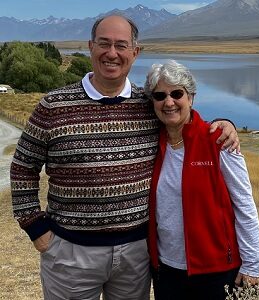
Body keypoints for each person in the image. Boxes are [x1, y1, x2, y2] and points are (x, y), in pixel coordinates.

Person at [10, 16, 239, 300]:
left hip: (135, 255)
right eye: (104, 44)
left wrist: (223, 124)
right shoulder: (54, 106)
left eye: (121, 45)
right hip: (71, 251)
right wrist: (34, 226)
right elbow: (23, 166)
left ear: (135, 52)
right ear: (91, 46)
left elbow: (182, 117)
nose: (112, 53)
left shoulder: (149, 103)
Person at [145, 60, 259, 300]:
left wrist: (252, 263)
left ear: (191, 98)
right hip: (167, 270)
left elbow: (244, 203)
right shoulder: (151, 143)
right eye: (160, 95)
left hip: (217, 270)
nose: (168, 102)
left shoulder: (218, 140)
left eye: (177, 93)